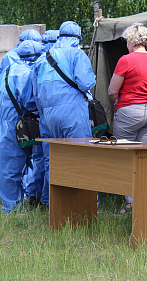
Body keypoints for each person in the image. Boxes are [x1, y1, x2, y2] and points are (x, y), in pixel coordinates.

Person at [33, 21, 96, 203]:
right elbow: (85, 83)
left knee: (54, 160)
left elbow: (36, 93)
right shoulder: (77, 53)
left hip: (48, 116)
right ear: (78, 39)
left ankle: (53, 202)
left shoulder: (42, 58)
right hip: (73, 111)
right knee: (81, 156)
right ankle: (87, 204)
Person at [108, 23, 147, 213]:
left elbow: (113, 91)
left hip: (129, 111)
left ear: (131, 40)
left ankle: (130, 203)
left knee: (124, 157)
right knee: (142, 158)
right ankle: (144, 200)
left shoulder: (126, 60)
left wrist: (118, 100)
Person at [0, 40, 43, 212]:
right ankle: (13, 209)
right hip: (18, 124)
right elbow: (29, 102)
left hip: (1, 123)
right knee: (19, 165)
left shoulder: (8, 69)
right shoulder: (27, 73)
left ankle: (10, 205)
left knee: (6, 166)